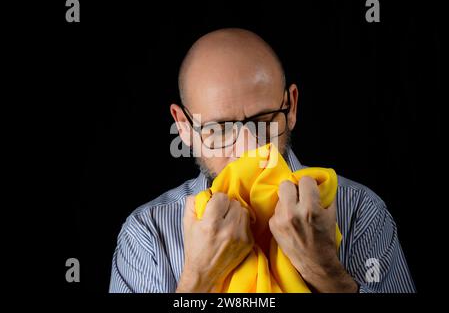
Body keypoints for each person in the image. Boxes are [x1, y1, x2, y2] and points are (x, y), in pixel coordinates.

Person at [109, 28, 415, 293]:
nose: (247, 148)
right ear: (185, 127)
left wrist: (325, 271)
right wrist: (198, 280)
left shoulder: (360, 211)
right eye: (218, 128)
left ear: (291, 107)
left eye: (264, 120)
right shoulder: (148, 233)